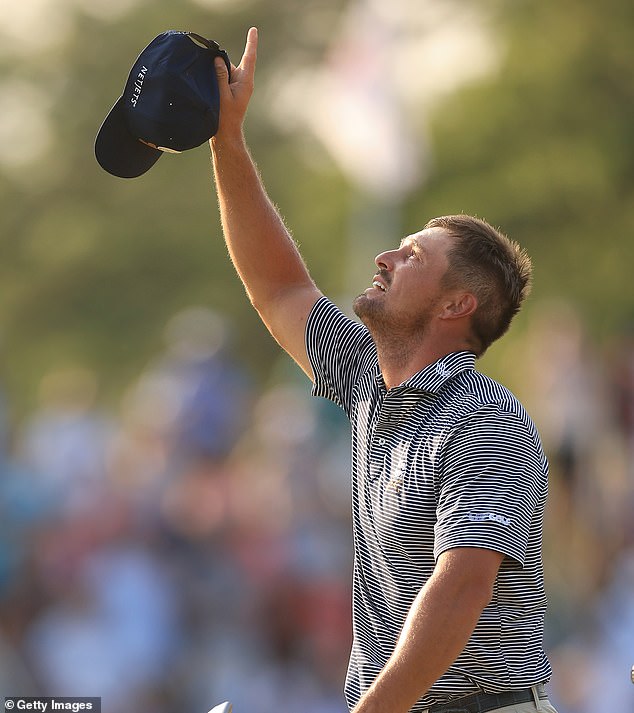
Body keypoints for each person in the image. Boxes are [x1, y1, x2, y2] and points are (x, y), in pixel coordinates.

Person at [207, 27, 558, 713]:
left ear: (458, 304)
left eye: (413, 257)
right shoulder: (370, 378)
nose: (386, 259)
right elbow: (279, 288)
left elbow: (462, 588)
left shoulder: (487, 418)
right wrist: (228, 140)